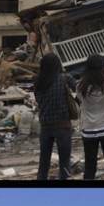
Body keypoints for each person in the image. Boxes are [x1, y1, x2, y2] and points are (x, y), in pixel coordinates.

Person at [32, 52, 75, 181]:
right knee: (64, 164)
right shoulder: (65, 78)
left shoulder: (37, 81)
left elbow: (38, 100)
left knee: (43, 163)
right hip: (62, 126)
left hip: (45, 127)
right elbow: (80, 88)